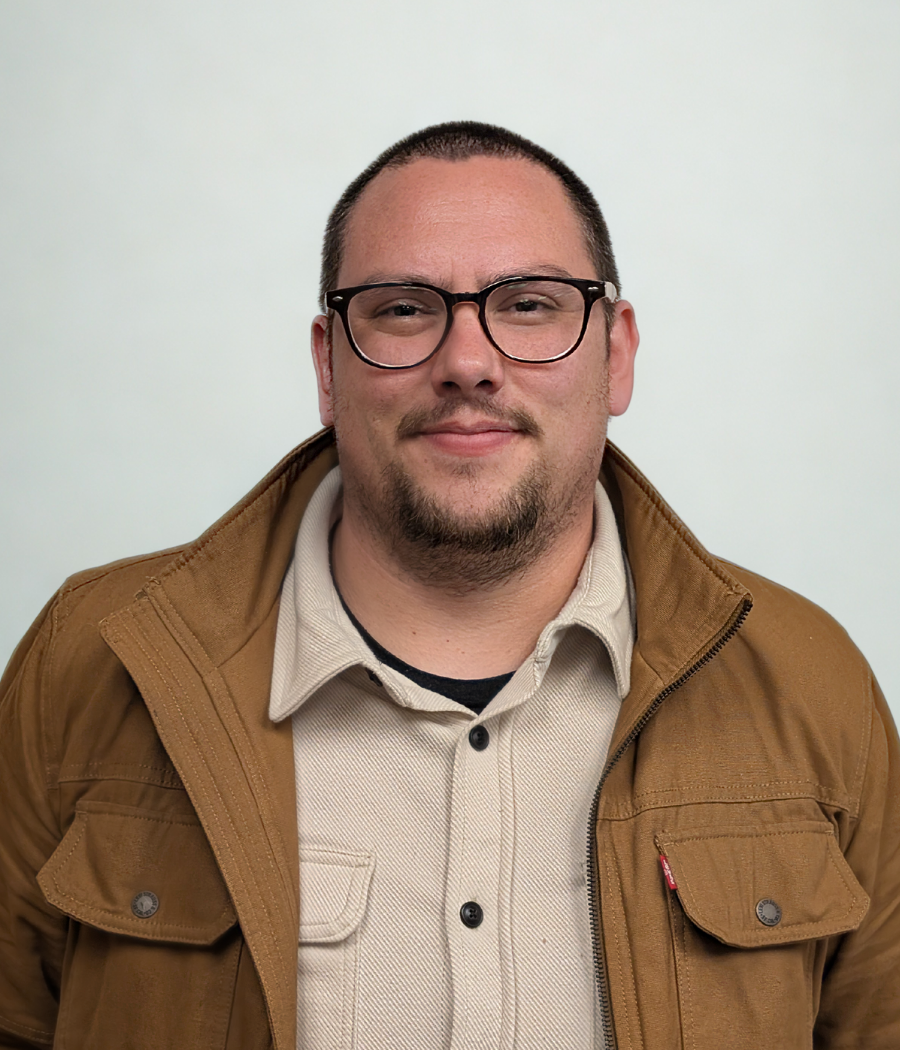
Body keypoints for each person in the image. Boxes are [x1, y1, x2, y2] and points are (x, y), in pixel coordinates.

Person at [0, 121, 897, 1050]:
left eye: (531, 305)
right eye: (403, 310)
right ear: (327, 365)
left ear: (617, 354)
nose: (468, 362)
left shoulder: (809, 684)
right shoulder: (89, 664)